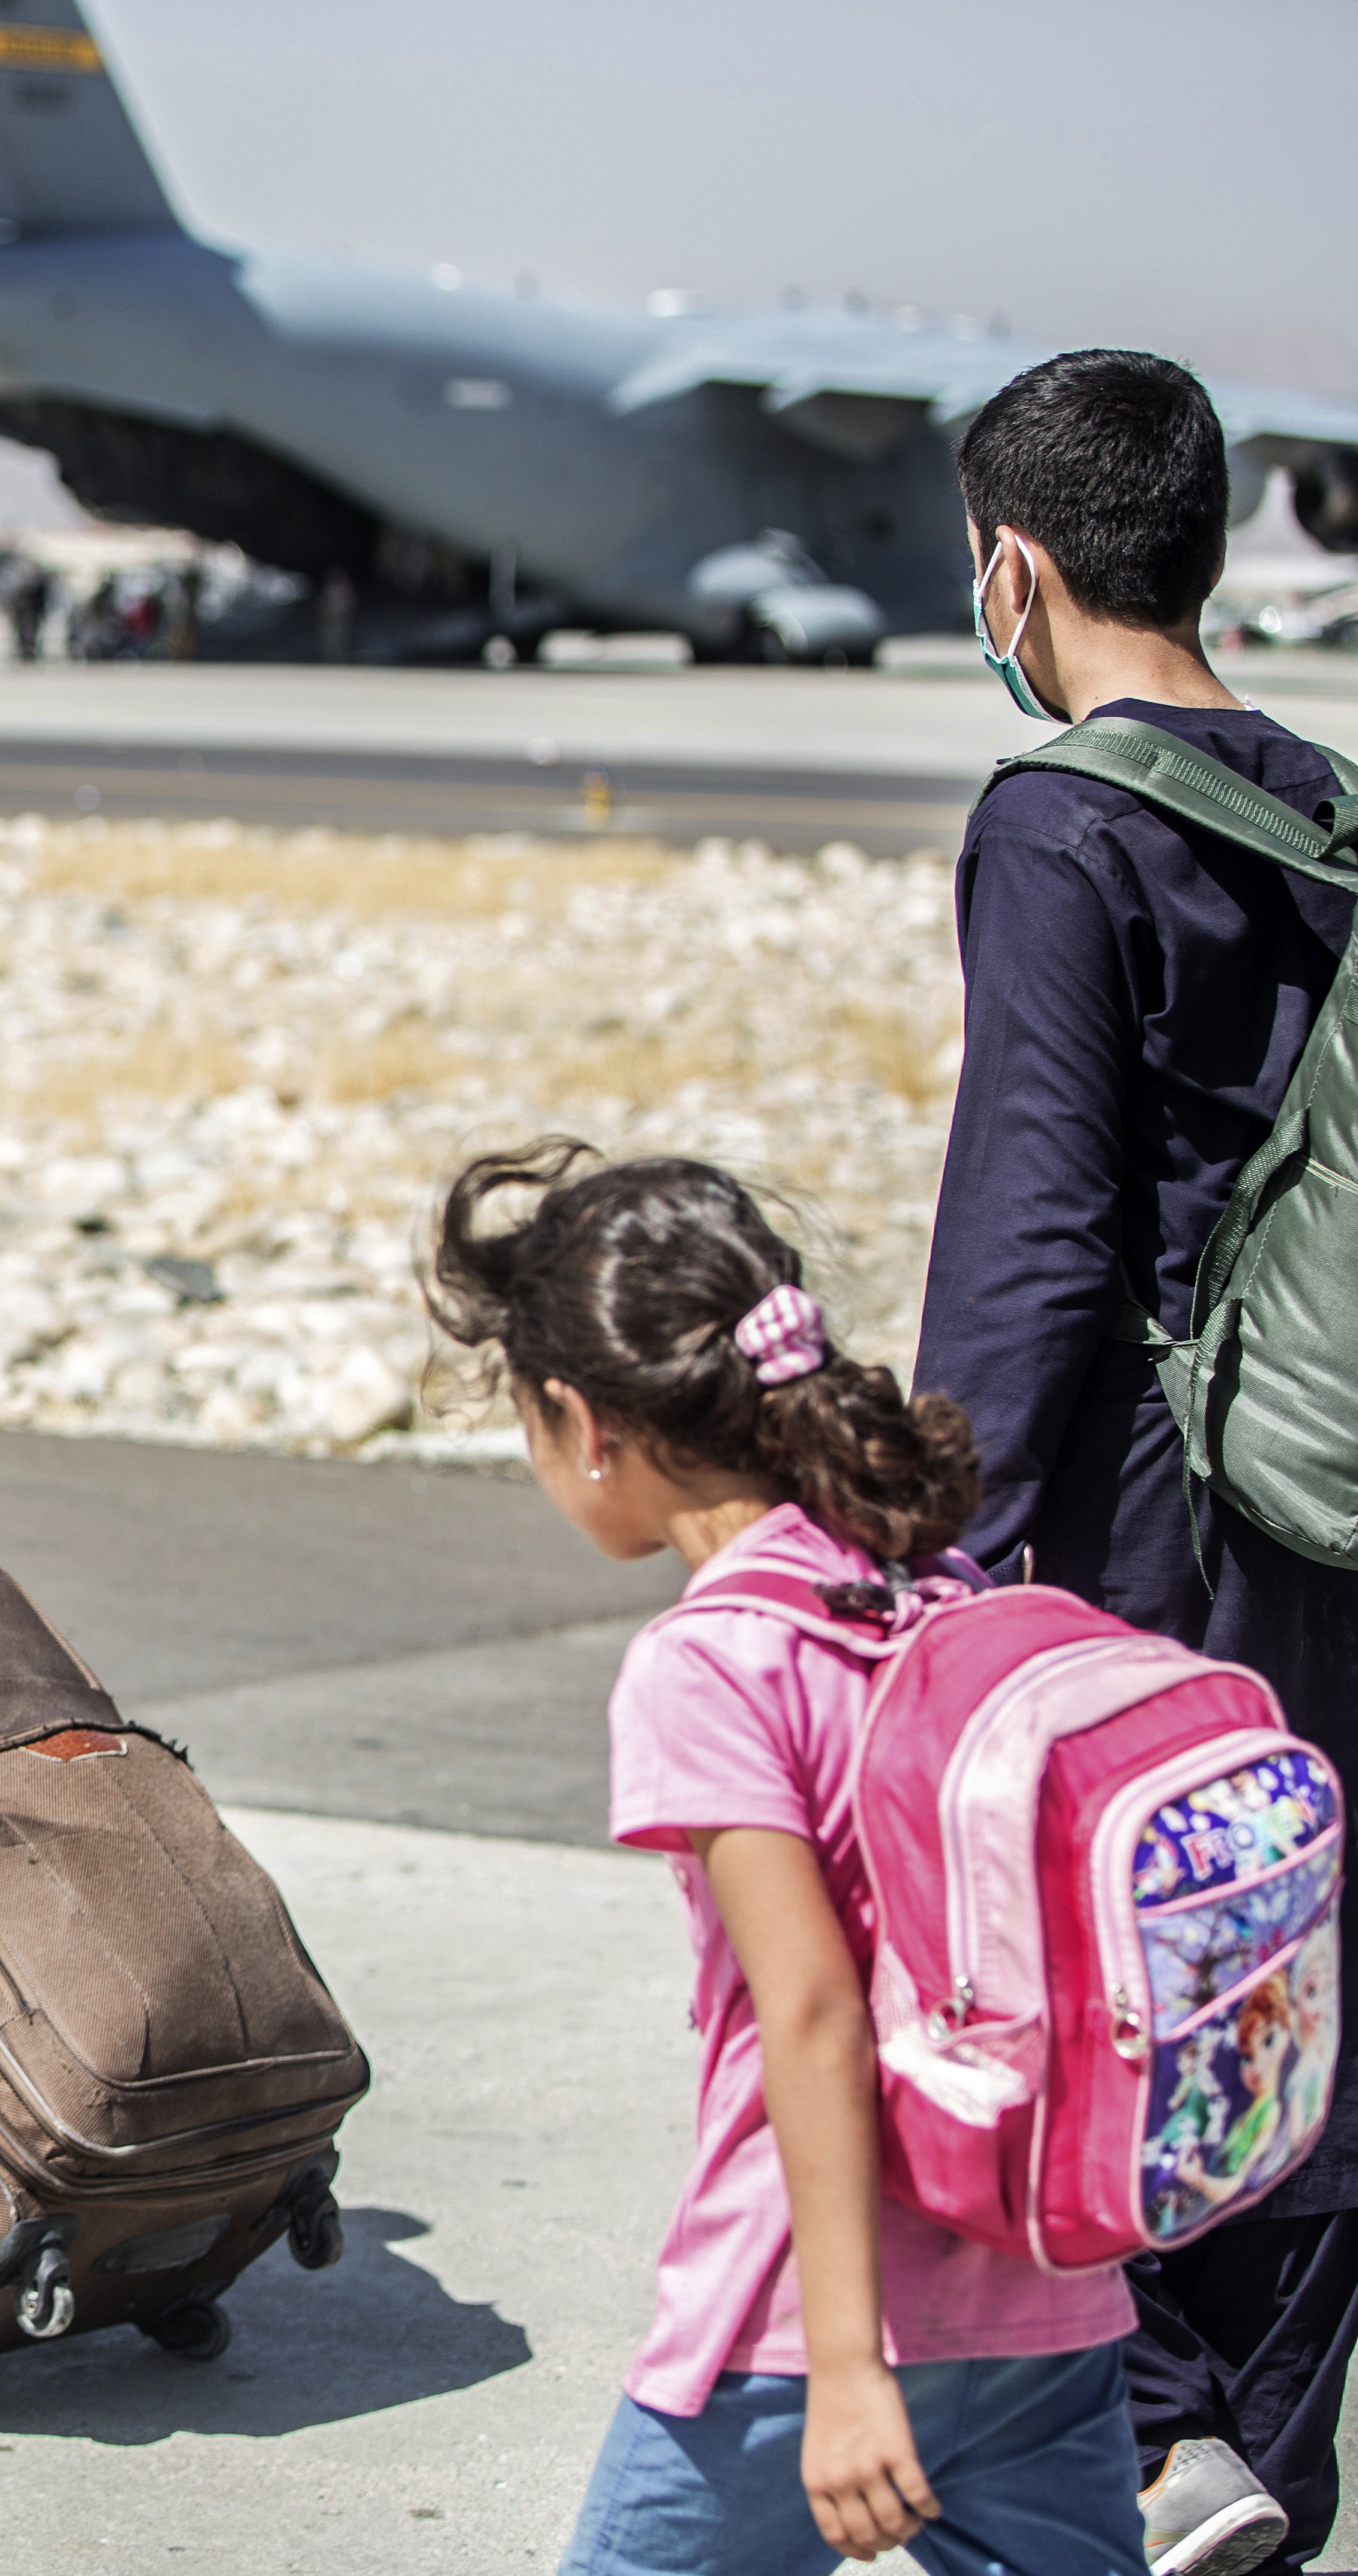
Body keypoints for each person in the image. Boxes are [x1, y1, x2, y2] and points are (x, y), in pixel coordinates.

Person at [431, 1142, 1146, 2576]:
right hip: (1040, 2285)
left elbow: (809, 2010)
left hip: (795, 2318)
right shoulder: (926, 1587)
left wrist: (844, 2366)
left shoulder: (709, 1661)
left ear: (582, 1420)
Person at [913, 348, 1358, 2576]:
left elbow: (1030, 1224)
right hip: (1328, 1505)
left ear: (1013, 561)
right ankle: (1266, 2442)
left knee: (1108, 1979)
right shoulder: (1322, 806)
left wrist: (945, 1555)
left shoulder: (1058, 819)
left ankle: (1165, 2451)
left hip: (1145, 1524)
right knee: (1289, 1975)